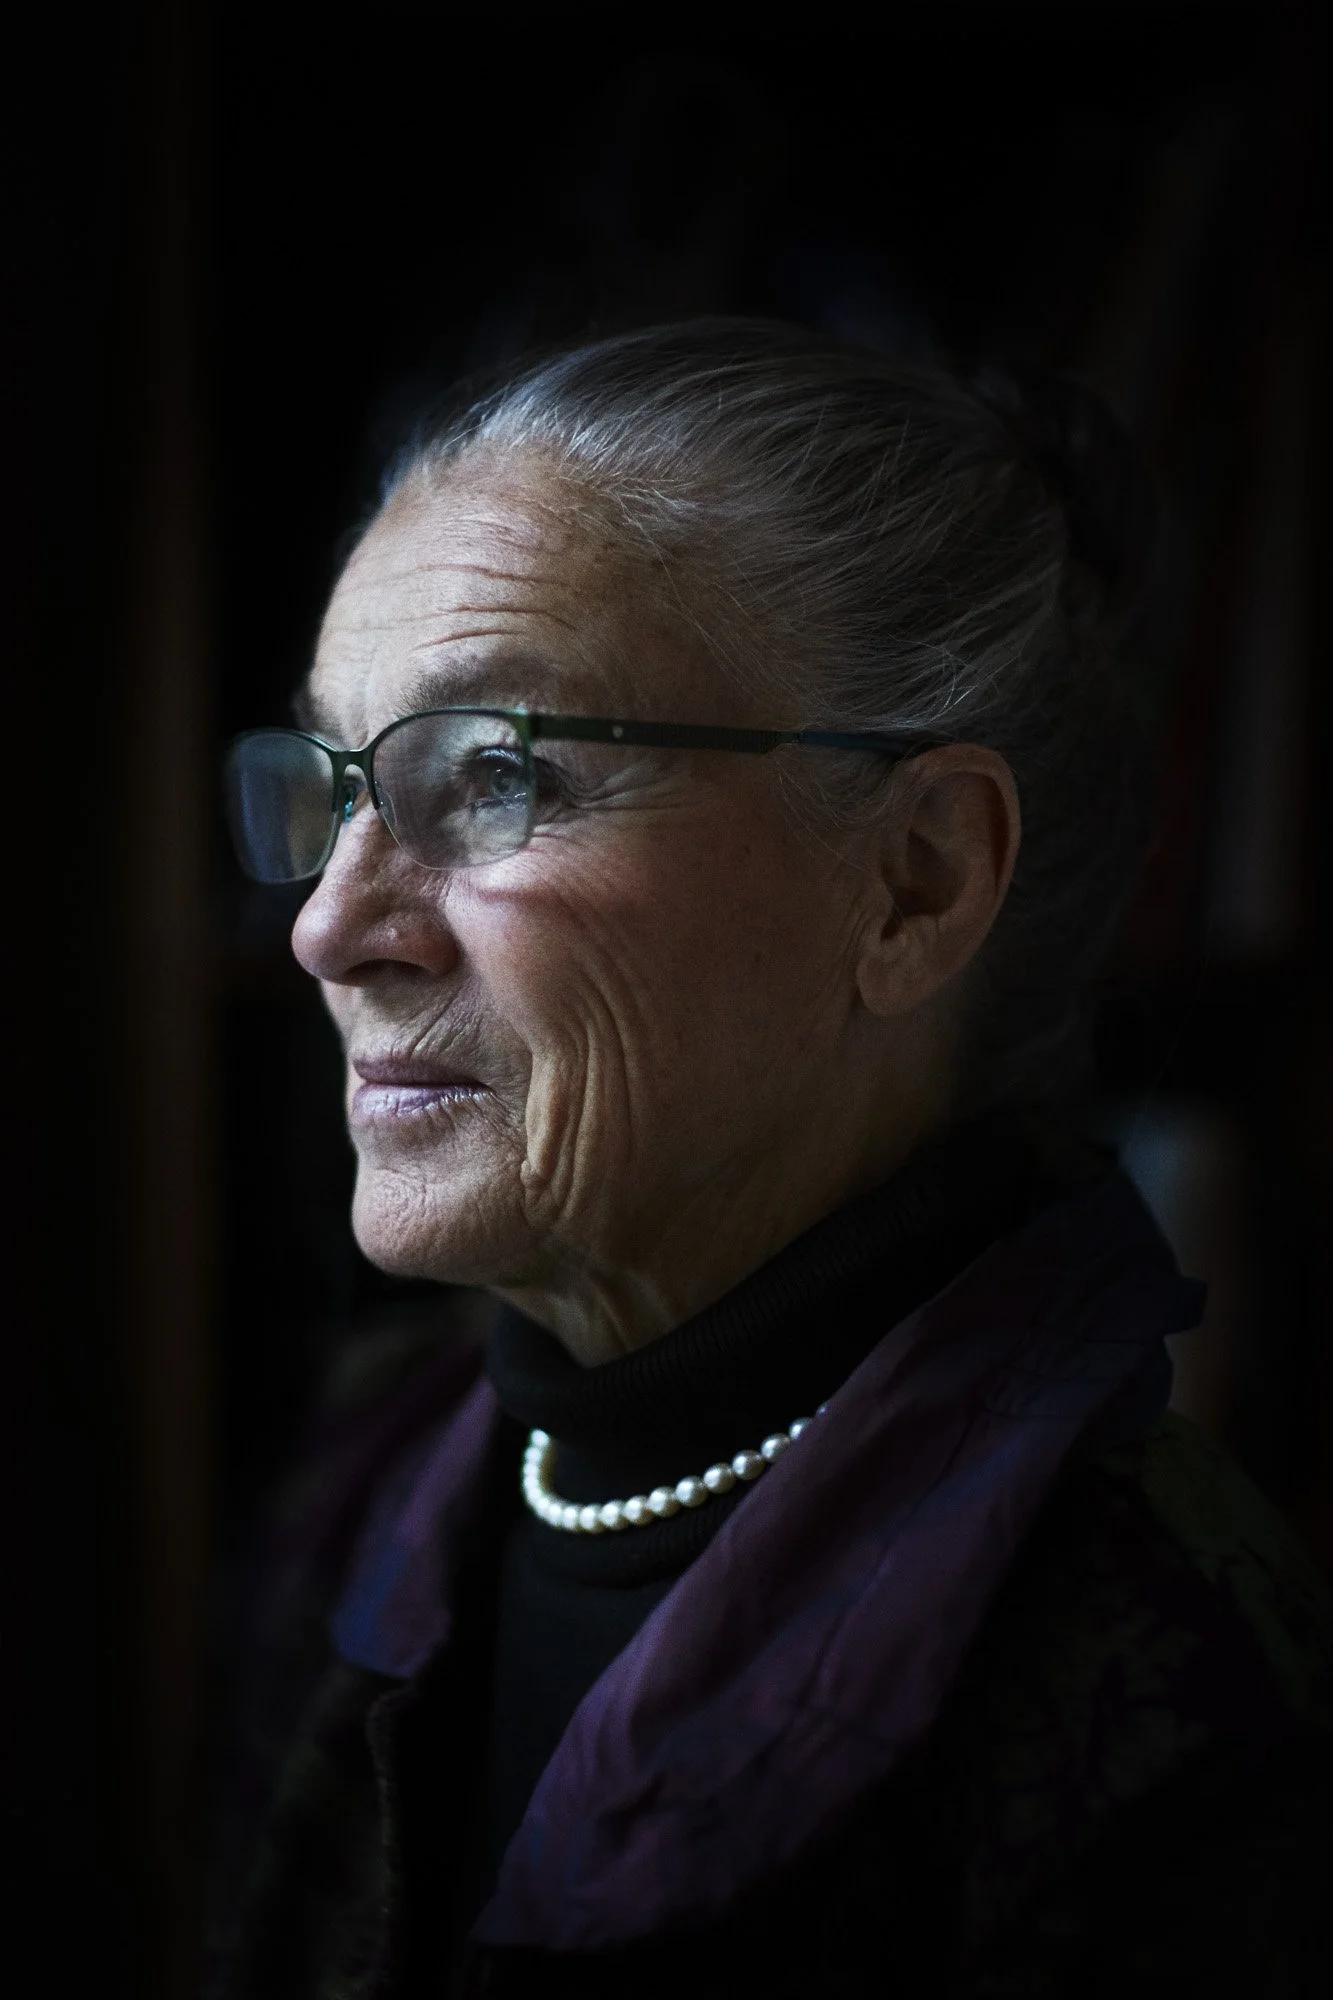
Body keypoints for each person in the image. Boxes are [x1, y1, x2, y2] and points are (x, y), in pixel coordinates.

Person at [211, 321, 1332, 1998]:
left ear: (918, 881)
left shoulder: (1171, 1710)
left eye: (498, 775)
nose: (330, 926)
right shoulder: (351, 1501)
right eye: (336, 784)